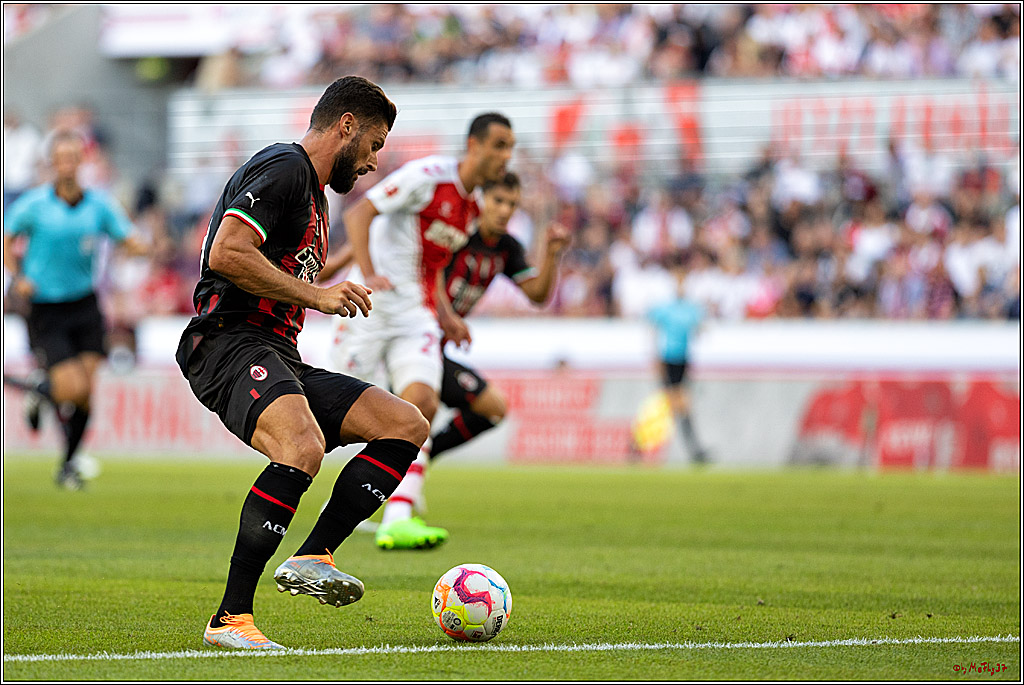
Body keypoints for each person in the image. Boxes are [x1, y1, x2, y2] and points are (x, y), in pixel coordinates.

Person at [175, 75, 429, 651]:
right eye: (374, 144)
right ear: (346, 126)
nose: (372, 161)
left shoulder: (314, 198)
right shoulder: (287, 168)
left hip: (277, 353)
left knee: (405, 424)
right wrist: (319, 295)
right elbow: (226, 253)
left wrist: (347, 273)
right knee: (302, 447)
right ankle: (230, 619)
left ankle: (316, 553)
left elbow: (294, 267)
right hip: (228, 342)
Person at [330, 112, 515, 550]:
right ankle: (332, 501)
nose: (506, 155)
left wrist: (447, 314)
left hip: (416, 315)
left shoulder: (471, 208)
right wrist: (367, 272)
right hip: (370, 307)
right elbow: (359, 214)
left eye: (510, 147)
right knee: (333, 421)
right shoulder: (428, 177)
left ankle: (397, 516)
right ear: (474, 145)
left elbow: (431, 266)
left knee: (422, 404)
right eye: (499, 145)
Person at [3, 129, 147, 490]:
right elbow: (7, 237)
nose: (67, 164)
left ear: (81, 161)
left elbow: (124, 235)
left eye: (73, 157)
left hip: (84, 303)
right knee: (71, 387)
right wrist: (17, 275)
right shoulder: (34, 205)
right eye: (60, 157)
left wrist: (138, 246)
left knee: (85, 391)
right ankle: (40, 390)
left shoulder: (98, 204)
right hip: (47, 306)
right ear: (52, 162)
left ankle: (67, 463)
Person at [429, 171, 570, 463]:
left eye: (512, 204)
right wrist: (446, 316)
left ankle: (423, 458)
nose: (505, 210)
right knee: (412, 417)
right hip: (412, 340)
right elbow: (430, 272)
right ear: (481, 199)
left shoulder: (507, 248)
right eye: (498, 201)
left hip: (436, 351)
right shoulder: (458, 231)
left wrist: (551, 255)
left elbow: (537, 295)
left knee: (493, 407)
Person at [642, 259, 709, 464]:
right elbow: (653, 330)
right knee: (675, 405)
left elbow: (700, 330)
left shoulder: (691, 309)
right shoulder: (666, 308)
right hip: (668, 359)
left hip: (682, 361)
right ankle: (693, 449)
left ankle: (693, 449)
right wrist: (655, 358)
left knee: (676, 406)